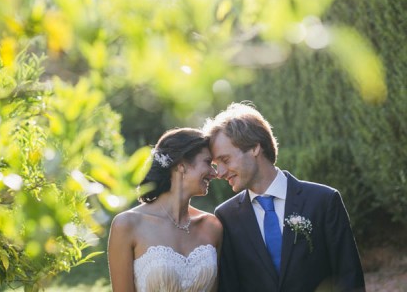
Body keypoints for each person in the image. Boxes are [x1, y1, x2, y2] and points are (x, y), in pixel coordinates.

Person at [203, 102, 365, 292]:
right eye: (215, 164)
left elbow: (349, 277)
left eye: (225, 160)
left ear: (255, 148)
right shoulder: (226, 216)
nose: (219, 173)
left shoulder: (324, 201)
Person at [107, 127, 221, 292]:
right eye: (208, 163)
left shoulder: (212, 226)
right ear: (182, 165)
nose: (215, 173)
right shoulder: (127, 225)